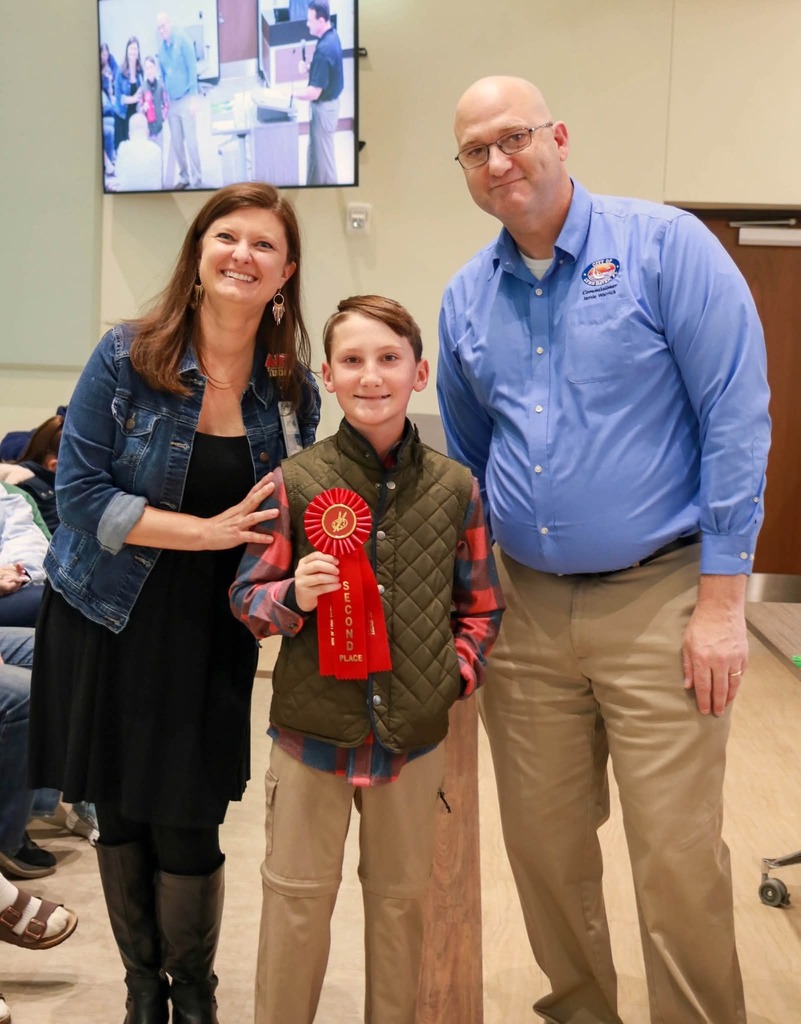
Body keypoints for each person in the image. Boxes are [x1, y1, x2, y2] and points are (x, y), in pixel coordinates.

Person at [437, 76, 771, 1024]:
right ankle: (580, 1009)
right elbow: (467, 459)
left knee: (672, 850)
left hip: (661, 598)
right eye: (475, 150)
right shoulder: (467, 297)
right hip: (526, 608)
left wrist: (719, 605)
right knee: (543, 848)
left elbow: (735, 424)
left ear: (559, 136)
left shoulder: (667, 250)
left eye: (514, 137)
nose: (498, 162)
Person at [29, 181, 320, 1024]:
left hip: (210, 633)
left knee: (189, 823)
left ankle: (193, 1000)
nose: (242, 255)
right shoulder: (127, 354)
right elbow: (78, 493)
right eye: (226, 236)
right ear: (198, 255)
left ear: (284, 273)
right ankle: (139, 999)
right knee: (121, 817)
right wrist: (206, 531)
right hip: (106, 617)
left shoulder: (292, 388)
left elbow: (297, 514)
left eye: (263, 245)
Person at [230, 294, 504, 1024]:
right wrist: (294, 594)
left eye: (388, 358)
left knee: (400, 909)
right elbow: (246, 601)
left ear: (418, 373)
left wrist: (450, 677)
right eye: (352, 360)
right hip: (309, 739)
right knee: (294, 905)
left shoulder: (457, 489)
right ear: (328, 374)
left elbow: (480, 607)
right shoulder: (292, 483)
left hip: (409, 747)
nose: (370, 375)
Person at [294, 1, 343, 186]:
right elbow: (326, 73)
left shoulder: (324, 49)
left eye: (310, 20)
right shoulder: (331, 37)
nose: (307, 24)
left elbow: (314, 92)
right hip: (327, 107)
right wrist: (308, 67)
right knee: (315, 157)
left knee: (324, 165)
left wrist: (290, 95)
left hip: (324, 109)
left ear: (321, 20)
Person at [157, 11, 202, 189]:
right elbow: (163, 76)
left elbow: (192, 69)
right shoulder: (161, 49)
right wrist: (165, 102)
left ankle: (197, 179)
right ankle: (184, 177)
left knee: (191, 143)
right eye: (158, 28)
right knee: (176, 143)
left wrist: (193, 99)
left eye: (163, 25)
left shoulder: (183, 40)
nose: (161, 30)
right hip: (172, 102)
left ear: (170, 23)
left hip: (185, 98)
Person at [0, 485, 48, 628]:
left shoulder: (8, 494)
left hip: (8, 587)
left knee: (61, 602)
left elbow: (20, 533)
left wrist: (18, 571)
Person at [114, 112, 163, 192]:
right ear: (147, 132)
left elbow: (117, 173)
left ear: (129, 134)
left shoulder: (123, 147)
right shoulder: (156, 150)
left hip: (125, 198)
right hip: (153, 198)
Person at [114, 36, 144, 151]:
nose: (133, 51)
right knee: (123, 151)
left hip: (135, 116)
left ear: (138, 51)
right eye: (131, 49)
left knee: (135, 151)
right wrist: (135, 98)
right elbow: (119, 98)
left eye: (135, 49)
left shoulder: (140, 70)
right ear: (127, 51)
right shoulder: (120, 71)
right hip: (122, 115)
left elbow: (143, 90)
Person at [100, 42, 121, 177]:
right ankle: (111, 160)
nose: (105, 56)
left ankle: (115, 156)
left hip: (110, 96)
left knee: (116, 118)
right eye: (103, 54)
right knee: (113, 113)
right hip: (105, 100)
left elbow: (117, 75)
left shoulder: (112, 62)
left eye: (107, 54)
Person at [142, 56, 167, 149]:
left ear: (155, 68)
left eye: (151, 67)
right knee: (150, 155)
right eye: (147, 68)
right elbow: (138, 107)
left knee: (160, 153)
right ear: (145, 70)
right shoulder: (143, 88)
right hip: (148, 130)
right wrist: (142, 108)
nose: (150, 70)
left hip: (159, 127)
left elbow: (166, 103)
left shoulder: (161, 85)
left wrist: (162, 117)